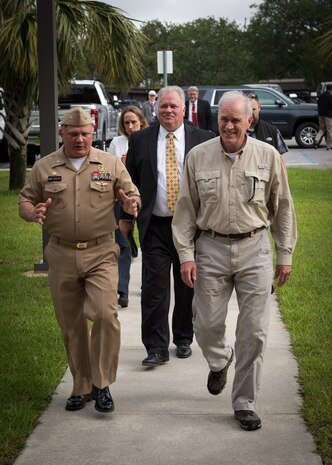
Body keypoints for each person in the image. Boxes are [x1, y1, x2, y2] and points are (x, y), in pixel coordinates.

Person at [172, 91, 297, 431]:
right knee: (206, 325)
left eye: (235, 120)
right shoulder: (197, 157)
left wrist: (283, 254)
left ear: (249, 121)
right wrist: (186, 255)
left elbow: (282, 207)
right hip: (210, 248)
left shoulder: (268, 156)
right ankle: (219, 359)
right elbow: (185, 212)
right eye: (223, 119)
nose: (228, 125)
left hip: (255, 248)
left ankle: (244, 402)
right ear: (217, 120)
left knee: (254, 332)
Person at [19, 107, 140, 413]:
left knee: (104, 314)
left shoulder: (110, 163)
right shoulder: (45, 167)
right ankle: (81, 385)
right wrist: (32, 212)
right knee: (71, 323)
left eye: (85, 133)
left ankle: (102, 384)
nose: (80, 139)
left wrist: (130, 201)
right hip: (61, 253)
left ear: (92, 133)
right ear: (63, 134)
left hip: (101, 252)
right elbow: (25, 199)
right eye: (73, 134)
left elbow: (130, 191)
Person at [120, 86, 215, 367]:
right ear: (156, 109)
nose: (168, 111)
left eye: (174, 106)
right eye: (163, 106)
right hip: (156, 226)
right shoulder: (140, 140)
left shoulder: (204, 139)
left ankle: (183, 338)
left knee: (187, 285)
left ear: (184, 109)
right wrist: (126, 216)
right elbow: (129, 182)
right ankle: (156, 347)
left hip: (191, 227)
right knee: (154, 289)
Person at [108, 105, 148, 308]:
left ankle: (147, 285)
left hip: (146, 199)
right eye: (126, 123)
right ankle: (122, 290)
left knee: (148, 242)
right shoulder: (117, 142)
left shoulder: (150, 139)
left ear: (141, 121)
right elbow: (109, 172)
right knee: (122, 243)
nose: (130, 126)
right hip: (122, 198)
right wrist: (123, 165)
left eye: (134, 122)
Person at [248, 94, 288, 167]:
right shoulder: (237, 132)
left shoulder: (272, 131)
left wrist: (284, 177)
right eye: (248, 109)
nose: (251, 113)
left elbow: (281, 160)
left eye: (253, 109)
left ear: (259, 107)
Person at [314, 83, 332, 150]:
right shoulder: (330, 96)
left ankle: (316, 140)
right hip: (328, 115)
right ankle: (329, 145)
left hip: (320, 114)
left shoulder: (321, 96)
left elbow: (318, 104)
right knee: (329, 129)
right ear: (331, 89)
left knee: (322, 129)